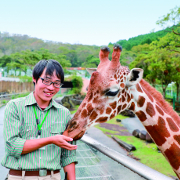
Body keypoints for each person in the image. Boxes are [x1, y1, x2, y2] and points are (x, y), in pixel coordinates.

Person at [1, 59, 77, 180]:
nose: (51, 87)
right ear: (34, 79)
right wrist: (51, 139)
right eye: (46, 81)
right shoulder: (15, 106)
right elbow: (12, 146)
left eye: (57, 83)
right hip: (20, 177)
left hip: (52, 177)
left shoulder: (64, 113)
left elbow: (68, 155)